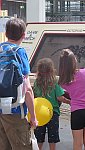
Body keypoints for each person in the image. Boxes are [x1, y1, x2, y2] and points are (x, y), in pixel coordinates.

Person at [0, 18, 38, 150]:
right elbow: (27, 89)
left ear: (6, 34)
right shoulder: (19, 52)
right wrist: (33, 117)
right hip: (15, 111)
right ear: (24, 35)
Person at [33, 58, 70, 150]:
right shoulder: (54, 82)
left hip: (40, 113)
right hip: (53, 112)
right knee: (52, 136)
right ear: (51, 70)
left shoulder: (37, 82)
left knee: (39, 136)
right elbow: (60, 98)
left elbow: (34, 96)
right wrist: (70, 102)